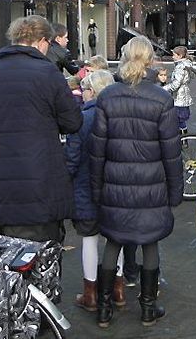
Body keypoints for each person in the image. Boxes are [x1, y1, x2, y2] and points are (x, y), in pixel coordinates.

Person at [89, 37, 183, 328]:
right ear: (150, 60)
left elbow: (97, 149)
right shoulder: (161, 98)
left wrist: (96, 189)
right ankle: (147, 308)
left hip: (115, 182)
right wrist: (174, 190)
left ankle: (104, 309)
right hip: (151, 182)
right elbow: (171, 150)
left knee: (113, 242)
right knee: (150, 242)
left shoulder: (107, 97)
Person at [0, 15, 82, 245]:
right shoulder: (48, 73)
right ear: (42, 41)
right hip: (42, 178)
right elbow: (73, 122)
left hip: (0, 179)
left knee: (7, 257)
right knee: (42, 258)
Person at [66, 70, 124, 313]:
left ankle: (90, 293)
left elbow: (71, 158)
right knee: (115, 240)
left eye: (85, 90)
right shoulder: (120, 116)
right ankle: (118, 289)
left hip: (85, 187)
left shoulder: (81, 119)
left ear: (92, 91)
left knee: (89, 240)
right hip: (115, 188)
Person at [163, 46, 196, 133]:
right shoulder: (186, 65)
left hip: (179, 96)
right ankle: (184, 139)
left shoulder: (180, 67)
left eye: (174, 55)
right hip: (183, 95)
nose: (172, 57)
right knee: (181, 120)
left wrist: (164, 88)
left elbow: (176, 84)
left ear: (180, 56)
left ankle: (182, 139)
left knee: (177, 119)